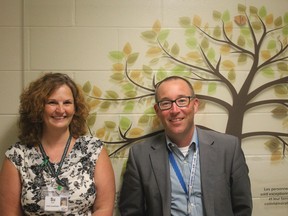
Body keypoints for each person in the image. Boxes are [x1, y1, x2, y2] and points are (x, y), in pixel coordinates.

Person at [119, 76, 252, 216]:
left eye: (182, 100)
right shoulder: (140, 156)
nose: (175, 110)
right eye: (165, 103)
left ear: (195, 105)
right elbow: (131, 211)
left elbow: (242, 208)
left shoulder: (228, 148)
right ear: (157, 110)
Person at [0, 72, 115, 215]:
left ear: (75, 108)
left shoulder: (93, 150)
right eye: (52, 102)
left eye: (67, 102)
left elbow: (103, 208)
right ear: (38, 107)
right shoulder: (17, 156)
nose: (60, 110)